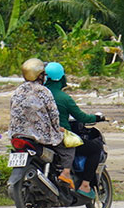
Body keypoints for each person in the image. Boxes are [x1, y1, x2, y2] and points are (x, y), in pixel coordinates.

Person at [9, 57, 74, 192]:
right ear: (39, 76)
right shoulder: (44, 91)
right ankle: (66, 173)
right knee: (69, 145)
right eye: (43, 74)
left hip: (16, 134)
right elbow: (53, 114)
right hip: (39, 135)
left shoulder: (17, 91)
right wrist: (57, 128)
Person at [43, 61, 104, 197]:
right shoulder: (63, 98)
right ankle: (85, 185)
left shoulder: (39, 94)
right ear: (61, 78)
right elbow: (81, 116)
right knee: (95, 148)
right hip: (59, 136)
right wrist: (97, 118)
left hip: (39, 137)